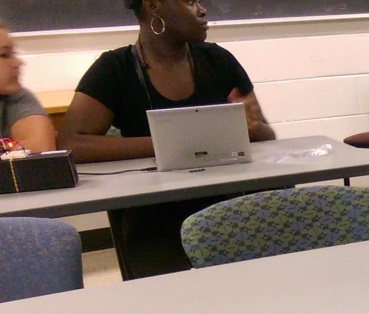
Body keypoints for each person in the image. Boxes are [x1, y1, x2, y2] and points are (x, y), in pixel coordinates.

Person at [58, 0, 274, 279]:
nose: (202, 9)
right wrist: (173, 141)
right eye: (189, 1)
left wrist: (254, 129)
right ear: (153, 6)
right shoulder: (115, 69)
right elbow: (70, 143)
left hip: (228, 206)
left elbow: (268, 136)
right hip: (154, 215)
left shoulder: (218, 60)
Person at [0, 22, 56, 153]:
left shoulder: (16, 96)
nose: (19, 62)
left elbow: (42, 147)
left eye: (13, 53)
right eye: (4, 55)